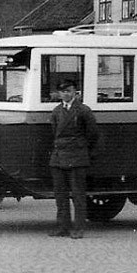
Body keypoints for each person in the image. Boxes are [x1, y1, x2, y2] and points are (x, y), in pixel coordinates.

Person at [48, 80, 99, 240]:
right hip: (58, 158)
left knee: (78, 195)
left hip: (77, 157)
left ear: (75, 92)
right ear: (59, 94)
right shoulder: (56, 111)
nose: (66, 94)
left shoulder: (83, 110)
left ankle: (78, 228)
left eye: (69, 91)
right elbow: (55, 132)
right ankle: (63, 227)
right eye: (63, 92)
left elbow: (92, 134)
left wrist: (81, 149)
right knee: (60, 195)